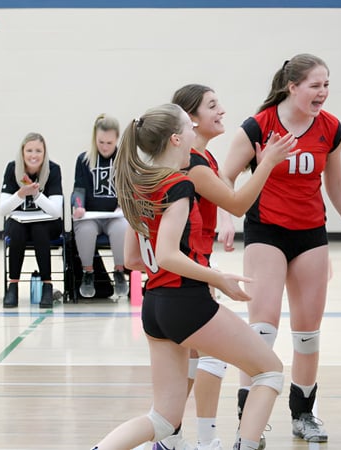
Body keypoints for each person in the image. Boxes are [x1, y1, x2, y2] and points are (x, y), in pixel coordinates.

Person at [92, 103, 284, 450]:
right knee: (269, 372)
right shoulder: (177, 185)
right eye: (190, 127)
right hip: (184, 301)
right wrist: (216, 276)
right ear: (178, 138)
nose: (196, 131)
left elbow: (135, 259)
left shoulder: (139, 185)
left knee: (163, 420)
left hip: (154, 306)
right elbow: (166, 253)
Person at [220, 54, 341, 444]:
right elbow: (224, 175)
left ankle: (303, 414)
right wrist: (225, 219)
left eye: (326, 84)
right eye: (315, 85)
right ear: (292, 87)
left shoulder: (331, 128)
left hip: (310, 235)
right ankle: (247, 417)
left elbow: (335, 185)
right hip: (266, 230)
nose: (322, 92)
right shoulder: (259, 126)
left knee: (307, 334)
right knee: (262, 330)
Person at [150, 84, 297, 450]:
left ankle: (176, 438)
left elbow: (221, 204)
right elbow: (236, 203)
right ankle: (205, 438)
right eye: (212, 106)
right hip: (185, 280)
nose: (222, 111)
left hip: (182, 277)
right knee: (230, 361)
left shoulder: (203, 162)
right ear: (191, 121)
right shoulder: (194, 167)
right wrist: (266, 163)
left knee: (194, 362)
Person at [0, 132, 64, 309]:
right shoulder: (12, 169)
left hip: (47, 223)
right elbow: (3, 209)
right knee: (18, 230)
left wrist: (36, 194)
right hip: (20, 221)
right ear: (22, 152)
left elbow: (56, 211)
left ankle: (47, 285)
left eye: (38, 151)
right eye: (29, 150)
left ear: (45, 153)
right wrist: (20, 194)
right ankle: (12, 285)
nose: (33, 155)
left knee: (39, 229)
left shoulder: (53, 170)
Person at [71, 114, 129, 299]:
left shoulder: (124, 159)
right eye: (101, 142)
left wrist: (123, 206)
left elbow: (130, 189)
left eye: (109, 143)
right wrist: (78, 206)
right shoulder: (84, 160)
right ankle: (88, 273)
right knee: (85, 230)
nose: (104, 147)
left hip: (115, 216)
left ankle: (120, 272)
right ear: (94, 139)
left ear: (117, 139)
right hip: (91, 216)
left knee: (122, 229)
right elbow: (78, 189)